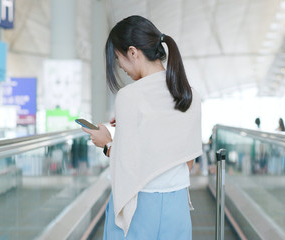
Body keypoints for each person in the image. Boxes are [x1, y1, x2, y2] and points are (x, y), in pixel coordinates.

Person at [82, 15, 201, 239]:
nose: (121, 67)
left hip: (141, 205)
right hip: (178, 206)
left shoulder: (129, 96)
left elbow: (128, 166)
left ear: (133, 52)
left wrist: (106, 143)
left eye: (119, 59)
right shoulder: (189, 94)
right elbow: (188, 159)